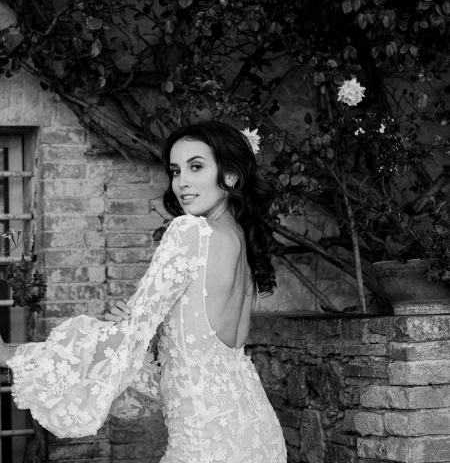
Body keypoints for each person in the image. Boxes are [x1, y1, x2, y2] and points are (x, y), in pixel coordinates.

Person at [0, 121, 287, 462]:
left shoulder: (191, 232)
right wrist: (148, 332)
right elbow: (196, 355)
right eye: (176, 170)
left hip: (204, 446)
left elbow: (127, 339)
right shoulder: (239, 239)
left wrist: (13, 356)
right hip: (257, 435)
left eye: (196, 167)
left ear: (231, 176)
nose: (182, 182)